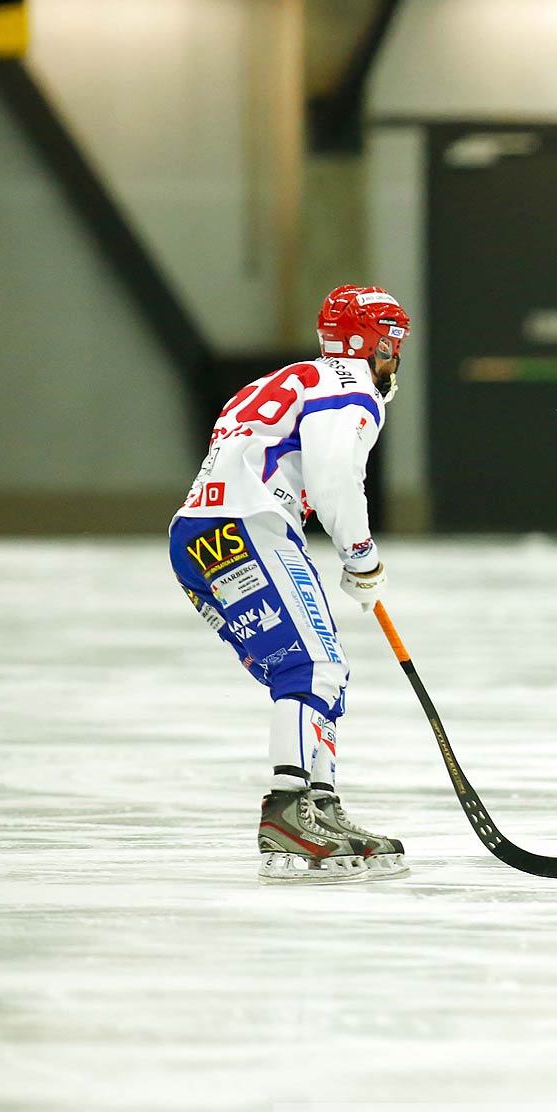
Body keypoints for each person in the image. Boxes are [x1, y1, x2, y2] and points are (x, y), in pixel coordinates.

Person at [170, 285, 410, 884]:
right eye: (391, 344)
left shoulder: (283, 380)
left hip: (197, 538)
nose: (394, 358)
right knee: (311, 671)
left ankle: (318, 804)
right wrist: (361, 560)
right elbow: (333, 481)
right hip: (249, 529)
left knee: (315, 668)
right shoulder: (352, 390)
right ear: (368, 342)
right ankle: (287, 810)